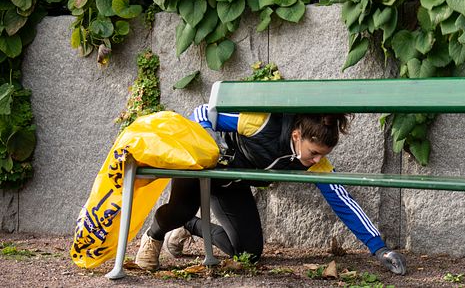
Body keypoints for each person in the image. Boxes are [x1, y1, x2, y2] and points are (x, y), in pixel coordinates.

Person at [134, 104, 406, 275]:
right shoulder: (262, 123)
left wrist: (379, 249)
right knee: (180, 208)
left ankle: (191, 226)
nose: (316, 161)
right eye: (313, 153)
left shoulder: (314, 163)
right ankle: (155, 236)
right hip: (203, 167)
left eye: (323, 155)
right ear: (297, 136)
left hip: (231, 185)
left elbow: (344, 202)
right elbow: (203, 113)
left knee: (248, 253)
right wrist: (209, 147)